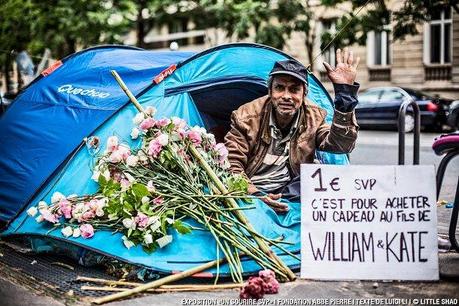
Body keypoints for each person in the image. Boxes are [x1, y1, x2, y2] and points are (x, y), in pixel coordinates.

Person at [224, 48, 360, 213]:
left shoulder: (314, 117)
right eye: (280, 88)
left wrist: (344, 95)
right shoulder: (245, 117)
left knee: (319, 174)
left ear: (304, 94)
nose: (286, 96)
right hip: (254, 187)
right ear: (270, 92)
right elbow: (232, 166)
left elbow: (340, 145)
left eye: (294, 89)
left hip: (289, 190)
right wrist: (257, 195)